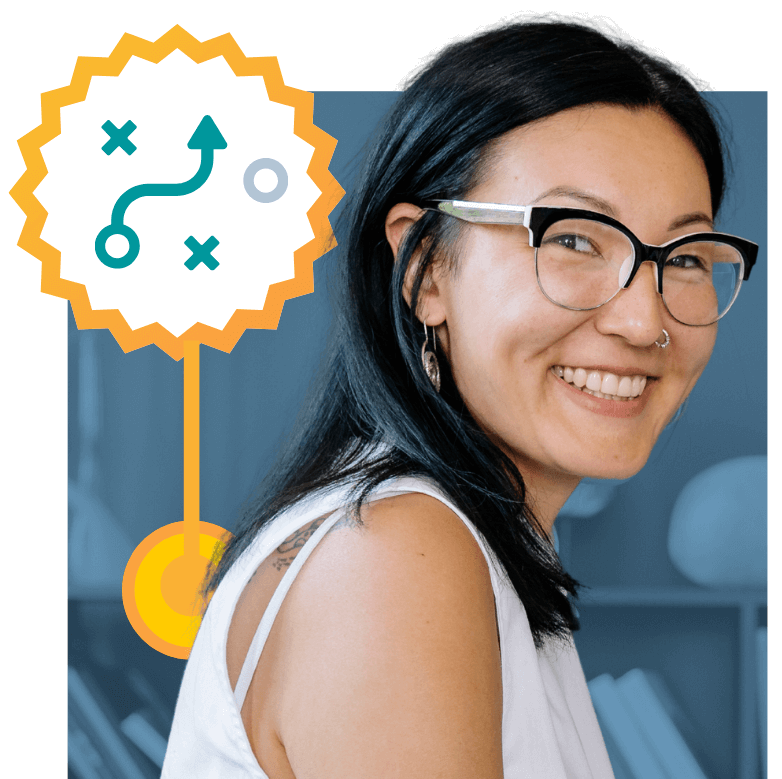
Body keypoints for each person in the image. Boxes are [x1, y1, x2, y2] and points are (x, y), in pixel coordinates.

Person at [162, 14, 759, 779]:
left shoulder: (478, 546)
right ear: (424, 271)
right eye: (573, 239)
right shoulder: (397, 554)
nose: (645, 321)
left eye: (685, 256)